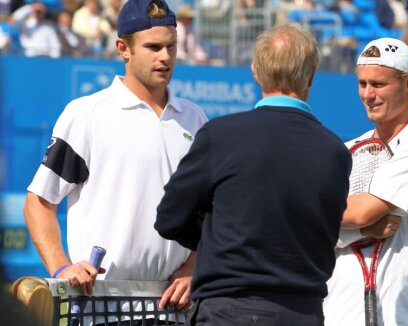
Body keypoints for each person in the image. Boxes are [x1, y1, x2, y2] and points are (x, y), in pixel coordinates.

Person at [155, 22, 352, 326]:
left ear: (255, 72)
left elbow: (169, 217)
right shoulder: (336, 152)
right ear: (312, 76)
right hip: (302, 311)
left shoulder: (220, 136)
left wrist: (213, 240)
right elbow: (328, 232)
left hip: (227, 309)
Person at [23, 0, 207, 322]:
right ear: (123, 48)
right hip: (99, 309)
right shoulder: (88, 114)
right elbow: (38, 203)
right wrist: (62, 267)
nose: (165, 57)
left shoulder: (195, 119)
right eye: (153, 47)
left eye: (171, 47)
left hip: (173, 310)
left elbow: (209, 212)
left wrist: (193, 266)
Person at [324, 37, 408, 325]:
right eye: (362, 84)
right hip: (335, 312)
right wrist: (362, 229)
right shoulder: (346, 150)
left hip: (401, 313)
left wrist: (347, 221)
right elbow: (316, 226)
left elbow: (359, 211)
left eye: (379, 84)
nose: (368, 94)